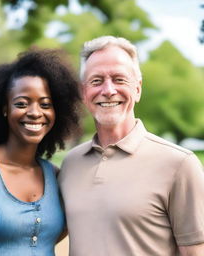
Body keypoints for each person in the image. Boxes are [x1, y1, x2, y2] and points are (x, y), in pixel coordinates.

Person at [58, 35, 204, 256]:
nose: (108, 90)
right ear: (84, 93)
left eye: (119, 79)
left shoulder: (180, 164)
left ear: (138, 88)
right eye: (96, 81)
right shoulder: (71, 164)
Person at [0, 48, 80, 255]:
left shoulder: (55, 176)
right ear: (4, 108)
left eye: (45, 104)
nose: (35, 113)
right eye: (21, 103)